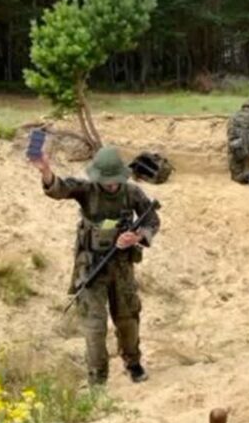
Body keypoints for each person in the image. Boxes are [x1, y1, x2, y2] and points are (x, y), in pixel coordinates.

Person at [30, 145, 160, 385]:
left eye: (114, 180)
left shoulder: (132, 193)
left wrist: (137, 237)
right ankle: (97, 378)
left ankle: (133, 363)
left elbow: (152, 220)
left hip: (121, 267)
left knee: (128, 318)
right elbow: (59, 189)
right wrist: (46, 171)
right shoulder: (87, 190)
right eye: (106, 180)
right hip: (91, 267)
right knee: (94, 326)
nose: (111, 185)